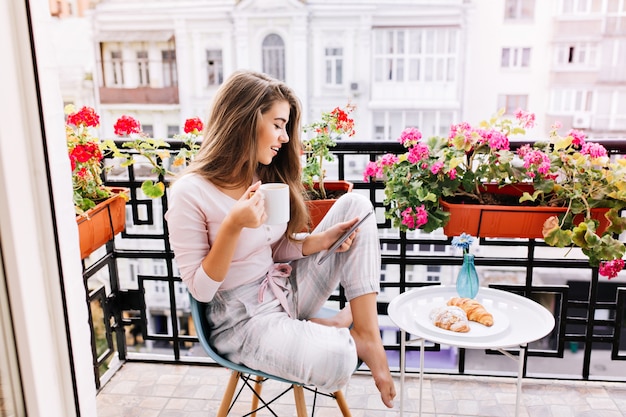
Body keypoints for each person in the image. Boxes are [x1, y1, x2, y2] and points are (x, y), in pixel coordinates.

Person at [164, 69, 396, 408]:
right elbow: (200, 289)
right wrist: (232, 226)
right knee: (337, 357)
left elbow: (273, 249)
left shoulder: (260, 178)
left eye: (286, 127)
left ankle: (367, 335)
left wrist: (317, 240)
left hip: (283, 288)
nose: (285, 138)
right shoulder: (189, 192)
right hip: (242, 321)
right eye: (277, 124)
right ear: (244, 121)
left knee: (356, 205)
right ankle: (330, 329)